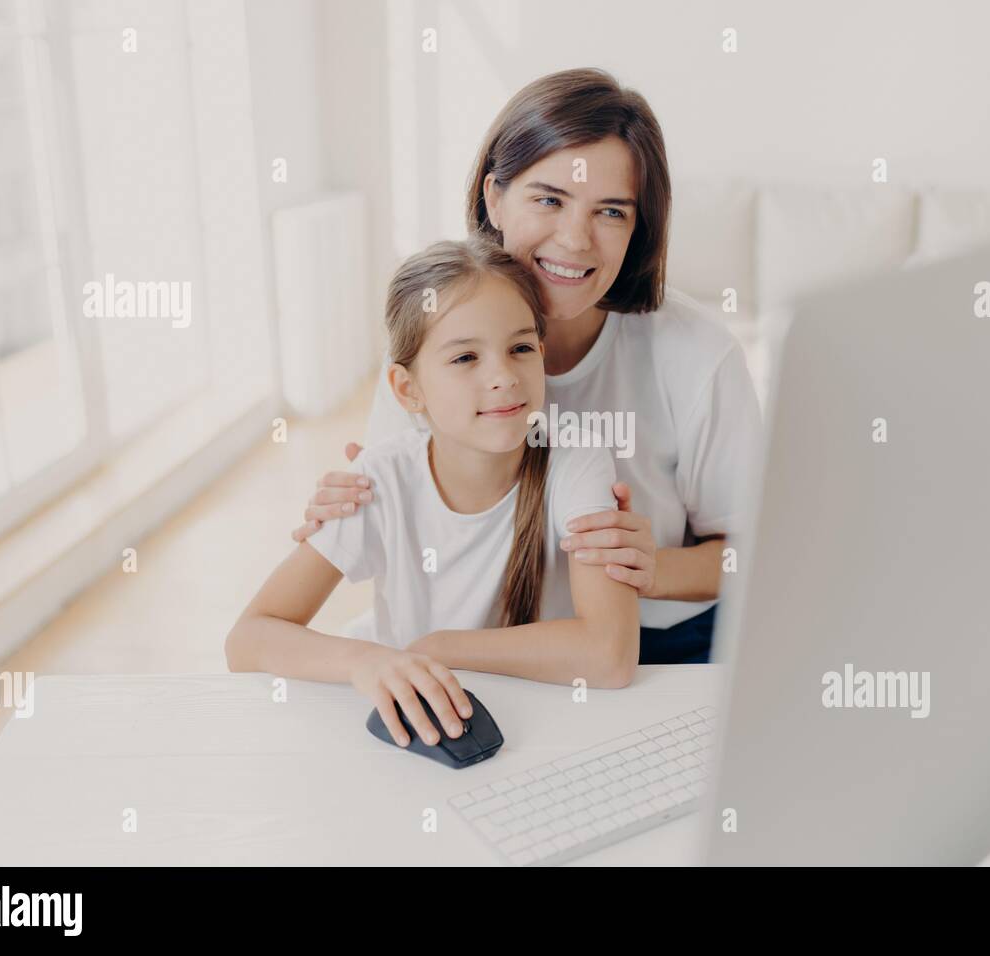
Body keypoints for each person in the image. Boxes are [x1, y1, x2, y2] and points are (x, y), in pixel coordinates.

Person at [293, 68, 761, 665]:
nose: (575, 239)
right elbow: (400, 502)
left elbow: (758, 553)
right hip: (491, 639)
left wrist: (653, 567)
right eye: (548, 200)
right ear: (494, 198)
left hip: (662, 640)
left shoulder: (696, 353)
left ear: (638, 228)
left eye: (611, 212)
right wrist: (350, 507)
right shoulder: (436, 342)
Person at [227, 238, 639, 748]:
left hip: (539, 717)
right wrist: (368, 660)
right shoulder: (382, 480)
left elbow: (610, 656)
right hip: (414, 719)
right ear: (407, 389)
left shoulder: (578, 461)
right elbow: (248, 638)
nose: (504, 378)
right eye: (466, 357)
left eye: (521, 348)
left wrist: (438, 648)